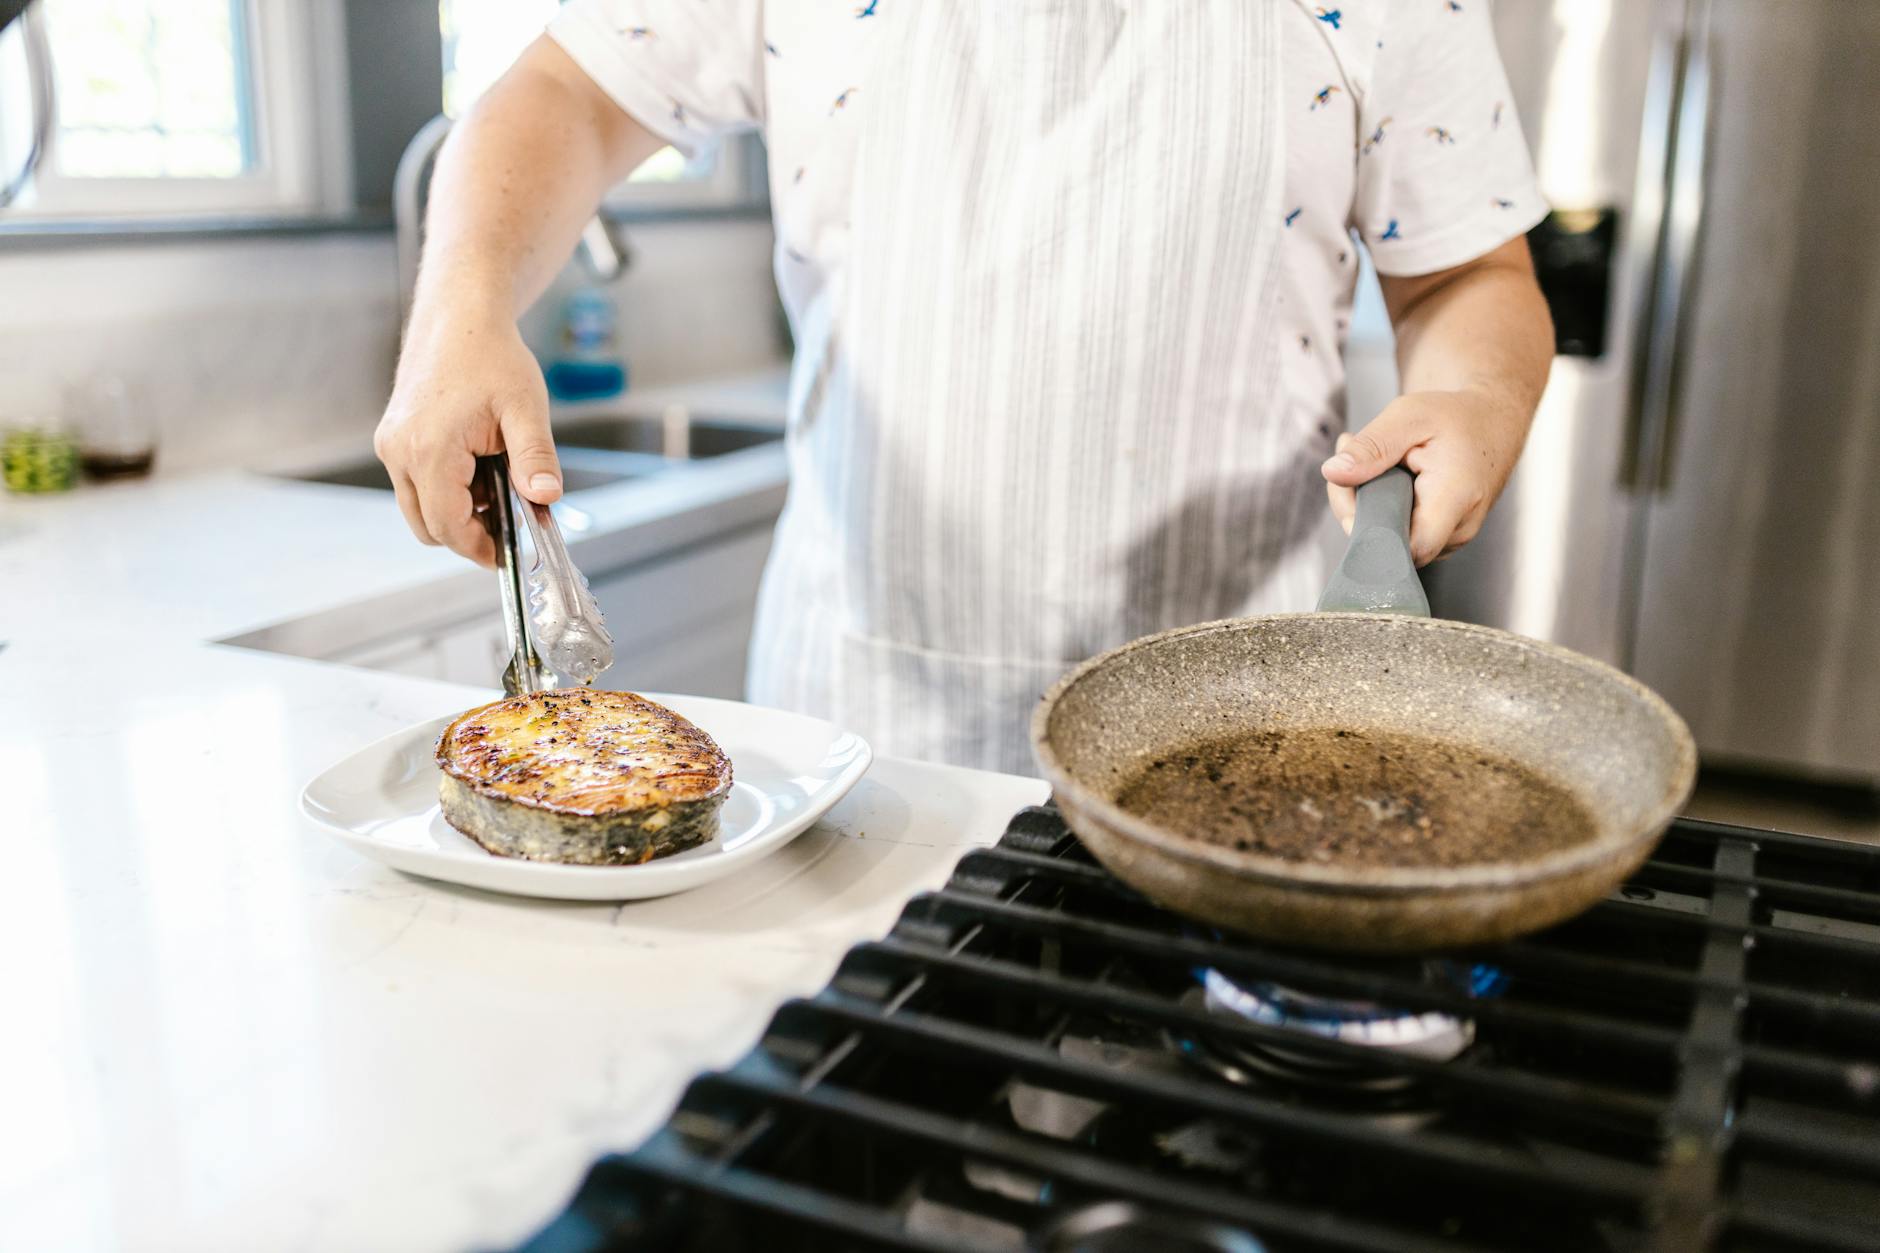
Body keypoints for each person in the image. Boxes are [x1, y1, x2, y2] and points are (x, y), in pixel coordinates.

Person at [376, 1, 1554, 775]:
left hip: (1241, 727)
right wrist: (459, 308)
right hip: (861, 734)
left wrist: (1474, 398)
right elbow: (560, 95)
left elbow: (1466, 275)